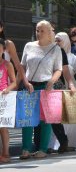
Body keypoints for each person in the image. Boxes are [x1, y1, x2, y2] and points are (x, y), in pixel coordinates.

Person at [19, 20, 63, 160]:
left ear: (49, 32)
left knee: (46, 120)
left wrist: (52, 81)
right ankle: (26, 149)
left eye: (42, 30)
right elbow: (22, 67)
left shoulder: (55, 49)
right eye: (37, 30)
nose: (38, 33)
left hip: (46, 86)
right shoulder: (29, 46)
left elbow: (59, 69)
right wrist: (25, 82)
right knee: (27, 119)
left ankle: (43, 149)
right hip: (29, 86)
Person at [0, 38, 17, 163]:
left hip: (3, 99)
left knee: (3, 127)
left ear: (4, 50)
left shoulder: (7, 64)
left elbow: (14, 82)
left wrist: (7, 89)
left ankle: (6, 153)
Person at [0, 21, 27, 90]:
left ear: (1, 28)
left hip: (6, 87)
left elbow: (18, 65)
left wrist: (25, 82)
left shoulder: (8, 44)